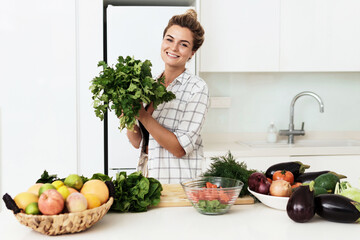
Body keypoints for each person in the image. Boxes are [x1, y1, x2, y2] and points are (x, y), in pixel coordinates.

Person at [126, 9, 209, 184]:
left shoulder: (197, 88)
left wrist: (141, 114)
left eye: (183, 44)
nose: (173, 47)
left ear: (192, 52)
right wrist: (127, 115)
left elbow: (179, 148)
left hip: (177, 183)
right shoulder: (148, 85)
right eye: (169, 39)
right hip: (146, 175)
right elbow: (137, 141)